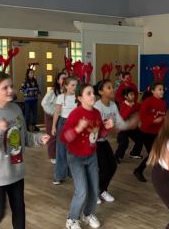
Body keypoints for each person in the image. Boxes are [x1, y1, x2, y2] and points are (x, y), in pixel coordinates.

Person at [0, 72, 50, 229]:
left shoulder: (16, 109)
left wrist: (38, 139)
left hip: (16, 172)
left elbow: (24, 137)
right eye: (5, 88)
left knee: (19, 211)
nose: (10, 90)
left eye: (11, 86)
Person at [59, 83, 107, 229]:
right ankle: (72, 219)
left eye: (93, 92)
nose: (93, 95)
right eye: (88, 93)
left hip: (91, 156)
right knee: (82, 191)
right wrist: (78, 128)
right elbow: (64, 138)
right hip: (76, 157)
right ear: (80, 98)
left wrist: (107, 128)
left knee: (94, 189)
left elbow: (100, 134)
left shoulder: (96, 113)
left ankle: (88, 214)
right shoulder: (75, 114)